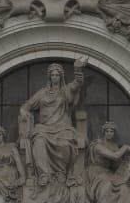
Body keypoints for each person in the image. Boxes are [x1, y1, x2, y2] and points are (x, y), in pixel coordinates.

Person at [19, 58, 87, 190]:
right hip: (44, 129)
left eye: (57, 75)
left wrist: (78, 70)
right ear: (49, 76)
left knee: (65, 144)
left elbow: (77, 83)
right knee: (39, 140)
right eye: (52, 75)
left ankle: (61, 173)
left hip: (63, 129)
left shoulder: (65, 91)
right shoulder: (42, 93)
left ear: (61, 76)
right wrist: (23, 111)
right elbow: (28, 105)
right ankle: (44, 174)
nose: (55, 77)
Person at [87, 121, 130, 203]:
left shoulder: (114, 146)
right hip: (97, 174)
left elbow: (118, 163)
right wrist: (125, 147)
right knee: (107, 185)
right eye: (107, 131)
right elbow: (115, 156)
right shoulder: (98, 145)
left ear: (114, 133)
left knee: (123, 188)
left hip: (109, 174)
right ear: (104, 132)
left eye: (111, 131)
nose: (109, 133)